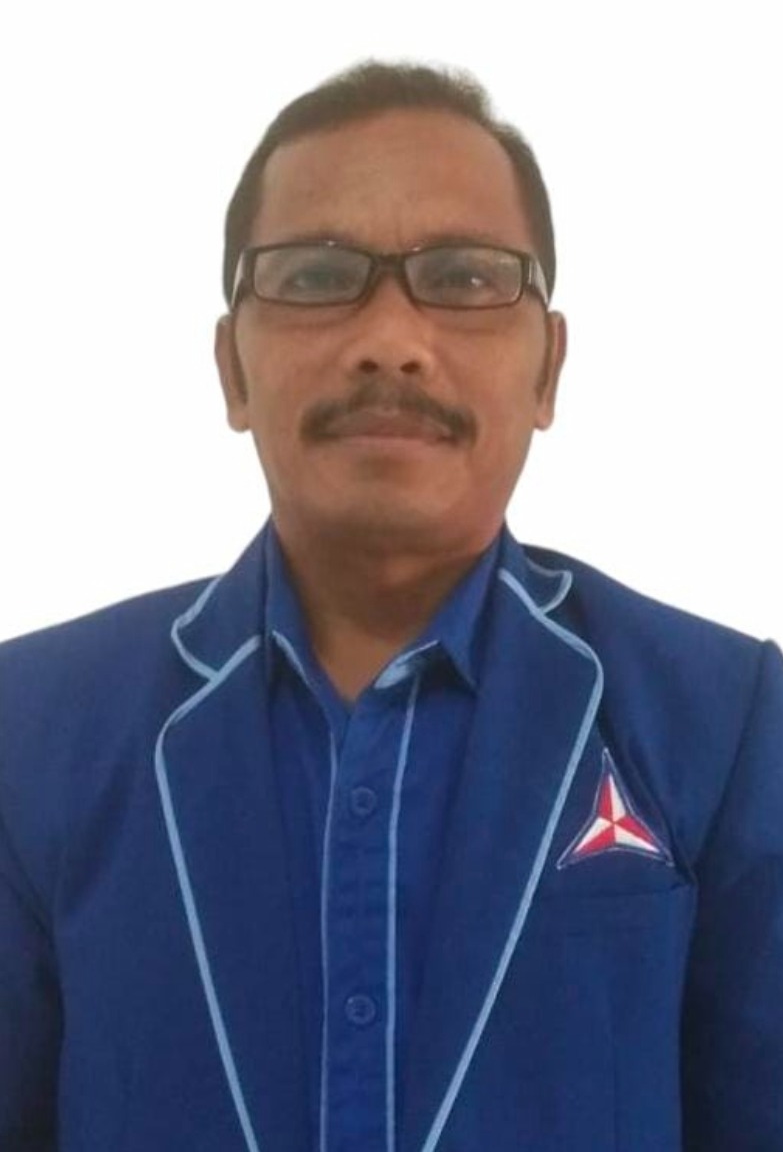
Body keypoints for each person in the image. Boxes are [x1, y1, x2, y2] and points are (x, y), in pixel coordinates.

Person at [0, 59, 781, 1152]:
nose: (391, 340)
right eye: (317, 276)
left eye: (463, 278)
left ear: (548, 371)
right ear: (232, 370)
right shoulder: (30, 729)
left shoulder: (724, 721)